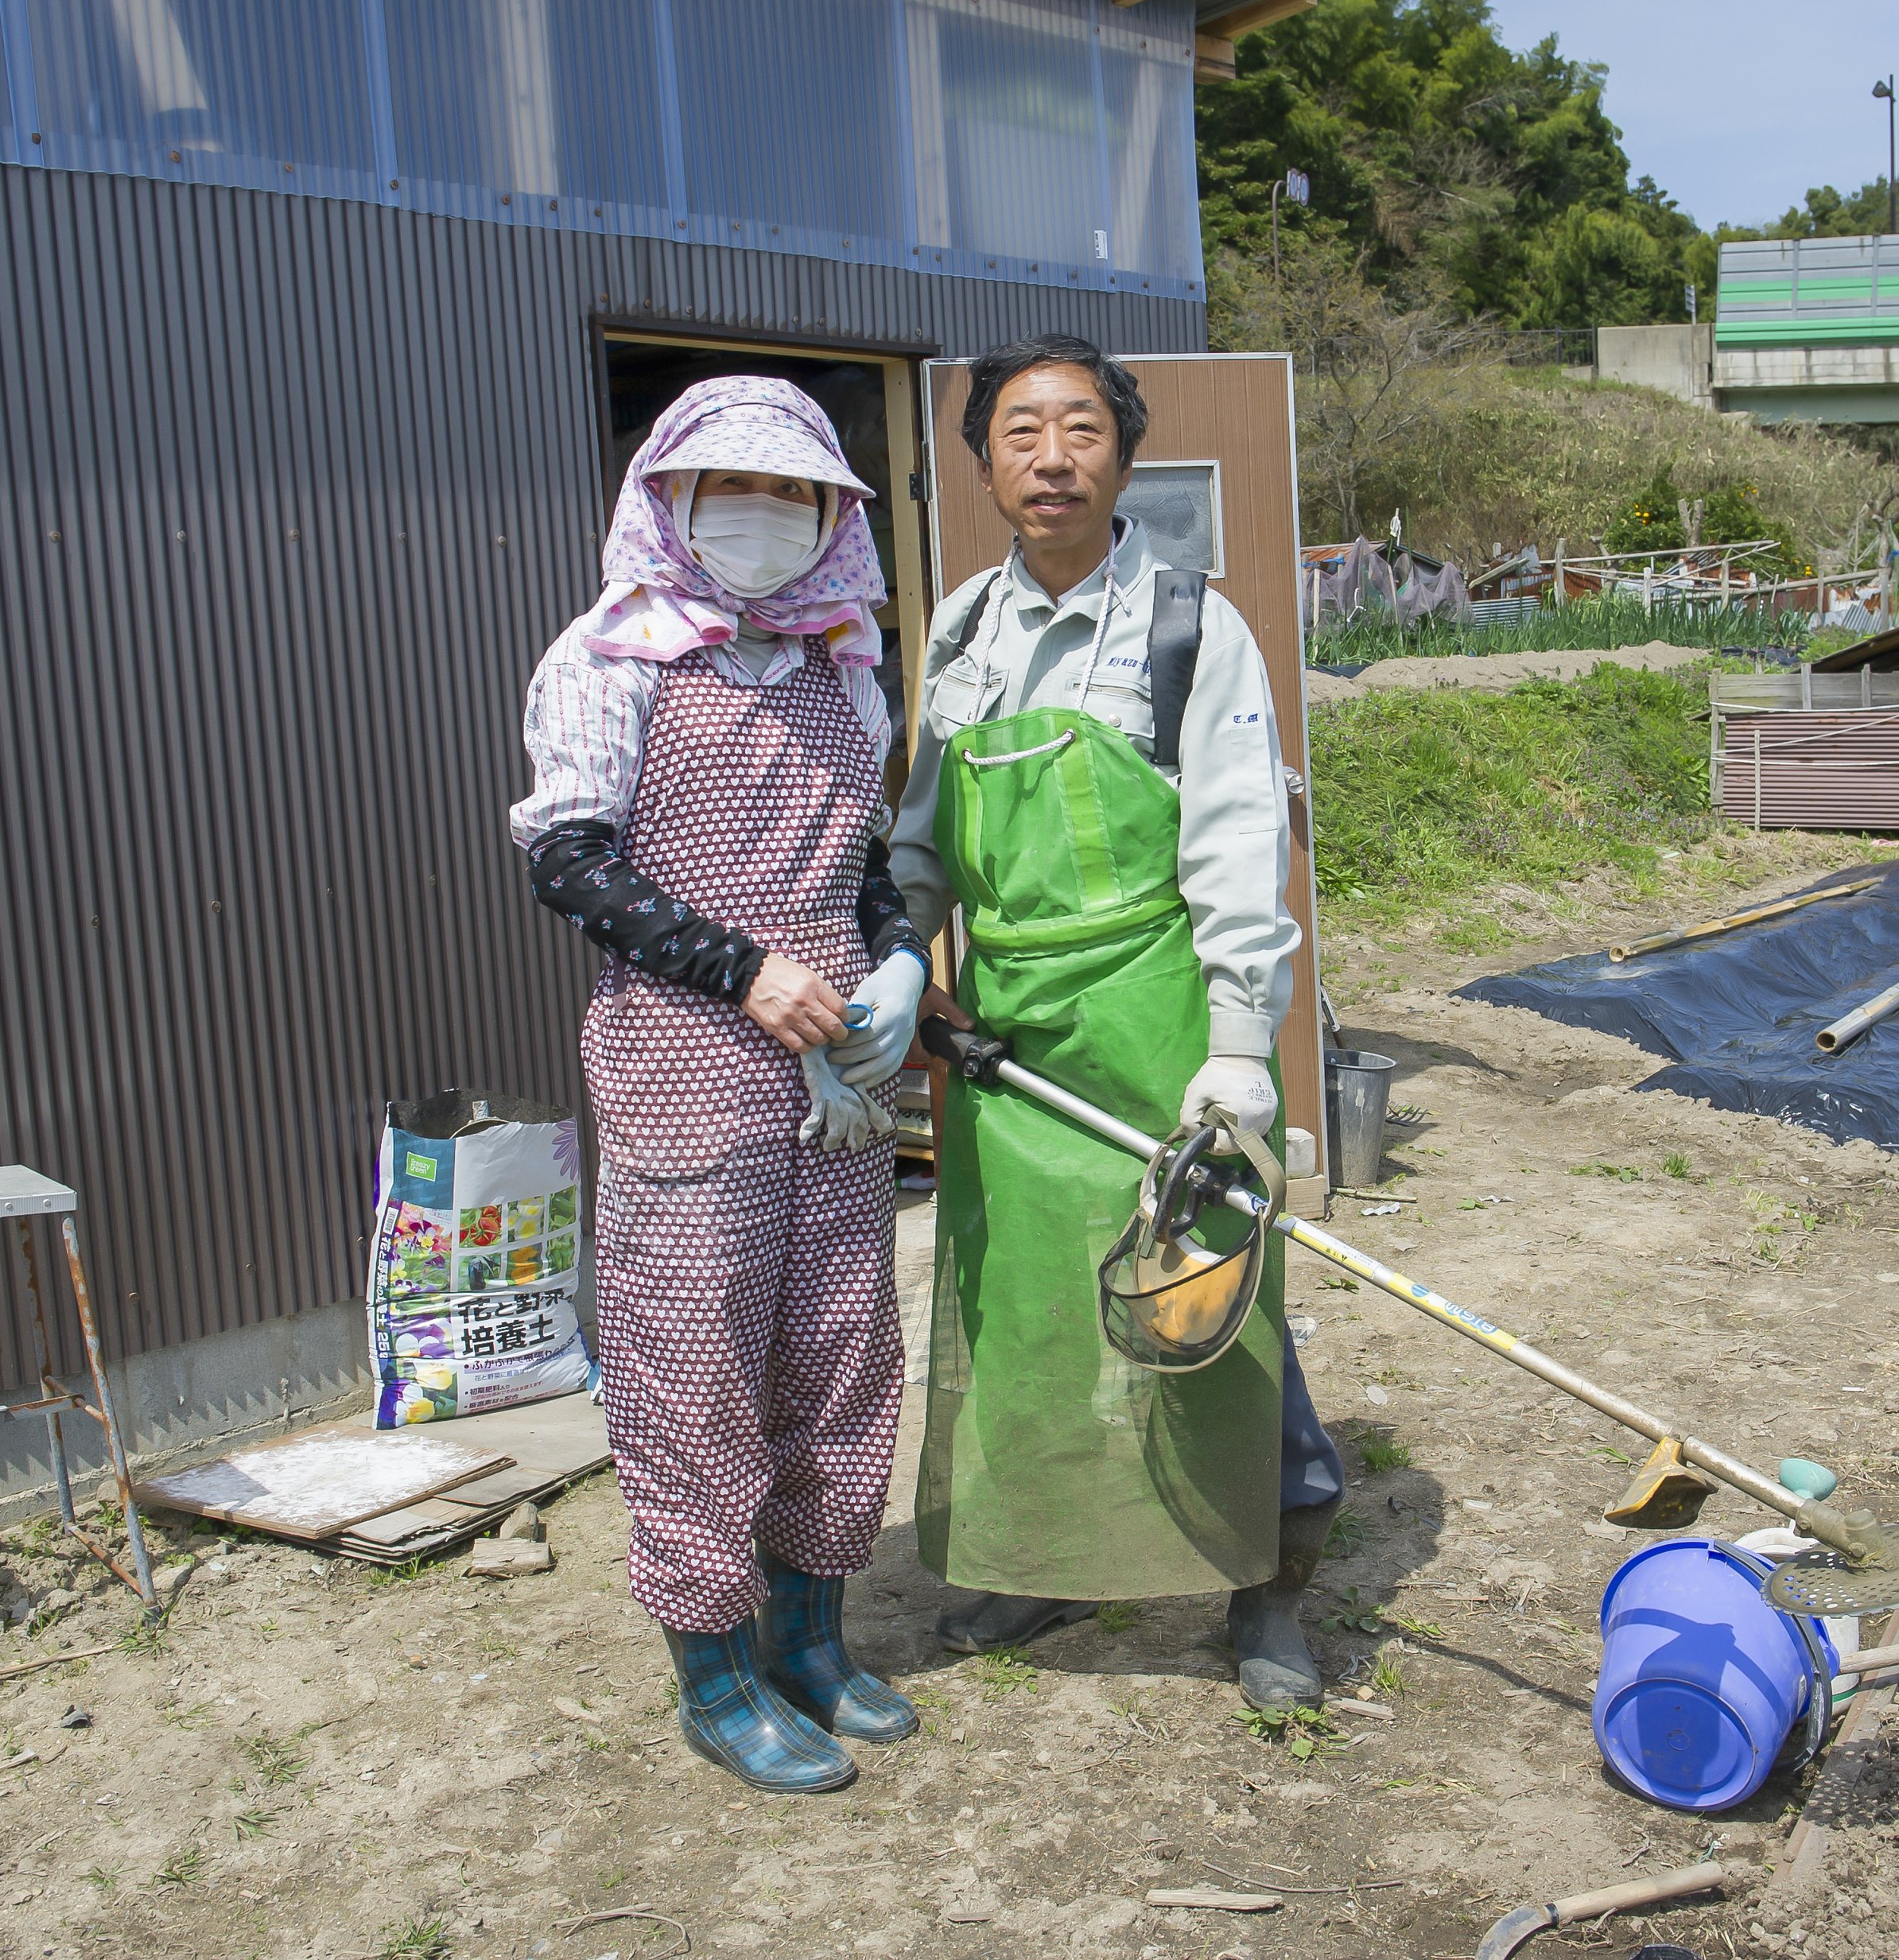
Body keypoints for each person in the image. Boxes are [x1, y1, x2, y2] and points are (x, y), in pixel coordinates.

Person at [889, 335, 1346, 1711]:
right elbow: (921, 842)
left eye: (1080, 428)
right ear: (981, 466)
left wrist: (1235, 1045)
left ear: (1124, 456)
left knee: (1207, 1303)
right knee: (1028, 1313)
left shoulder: (1191, 628)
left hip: (1158, 1026)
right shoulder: (962, 630)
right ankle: (1050, 1554)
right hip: (1011, 1045)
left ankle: (1266, 1590)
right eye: (1019, 432)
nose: (1050, 457)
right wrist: (902, 965)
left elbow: (1234, 847)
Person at [511, 376, 930, 1793]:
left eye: (796, 494)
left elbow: (866, 866)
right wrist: (744, 970)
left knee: (839, 1354)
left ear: (832, 518)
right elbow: (571, 859)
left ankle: (814, 1635)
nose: (764, 518)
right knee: (691, 1373)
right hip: (691, 1067)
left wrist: (898, 964)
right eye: (730, 490)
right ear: (670, 500)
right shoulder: (610, 655)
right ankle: (717, 1668)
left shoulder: (841, 661)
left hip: (841, 1082)